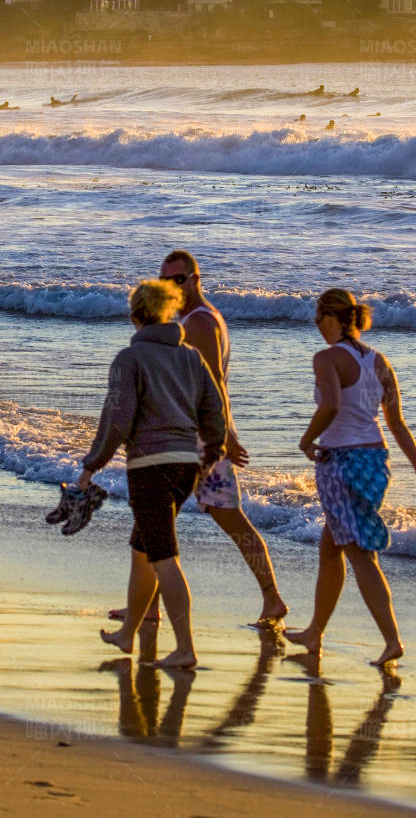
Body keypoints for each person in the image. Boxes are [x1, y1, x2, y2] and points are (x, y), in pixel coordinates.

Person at [120, 250, 288, 624]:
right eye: (166, 281)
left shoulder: (199, 323)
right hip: (192, 434)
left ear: (196, 279)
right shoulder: (195, 319)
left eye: (180, 280)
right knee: (153, 521)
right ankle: (145, 606)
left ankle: (272, 598)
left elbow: (212, 383)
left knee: (228, 520)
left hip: (198, 439)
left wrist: (224, 435)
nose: (173, 287)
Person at [284, 288, 416, 666]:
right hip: (375, 460)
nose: (317, 327)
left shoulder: (326, 358)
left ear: (331, 318)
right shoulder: (379, 361)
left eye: (318, 319)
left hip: (342, 461)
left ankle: (392, 640)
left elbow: (332, 405)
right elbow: (396, 423)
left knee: (359, 553)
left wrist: (306, 440)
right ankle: (315, 631)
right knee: (330, 546)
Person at [79, 279, 226, 670]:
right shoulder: (191, 356)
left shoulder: (130, 360)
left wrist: (91, 465)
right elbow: (216, 411)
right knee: (143, 548)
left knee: (163, 556)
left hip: (149, 467)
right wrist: (211, 455)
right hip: (186, 466)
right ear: (168, 313)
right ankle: (129, 634)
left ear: (135, 317)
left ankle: (185, 649)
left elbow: (118, 420)